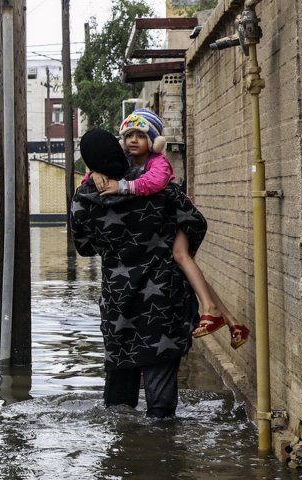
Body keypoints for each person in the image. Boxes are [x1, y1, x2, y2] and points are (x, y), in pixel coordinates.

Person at [70, 127, 207, 417]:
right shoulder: (156, 187)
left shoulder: (84, 198)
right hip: (163, 297)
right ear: (119, 150)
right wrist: (175, 248)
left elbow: (83, 246)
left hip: (118, 300)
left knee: (119, 399)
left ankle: (123, 453)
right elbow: (196, 222)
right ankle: (161, 445)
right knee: (161, 397)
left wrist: (113, 246)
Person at [90, 109, 250, 350]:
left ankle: (211, 309)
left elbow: (154, 183)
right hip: (167, 221)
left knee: (180, 256)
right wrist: (95, 173)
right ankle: (232, 321)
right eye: (129, 135)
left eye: (141, 135)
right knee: (188, 270)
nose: (134, 140)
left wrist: (123, 187)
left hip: (181, 218)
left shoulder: (158, 162)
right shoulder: (126, 164)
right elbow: (93, 183)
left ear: (153, 141)